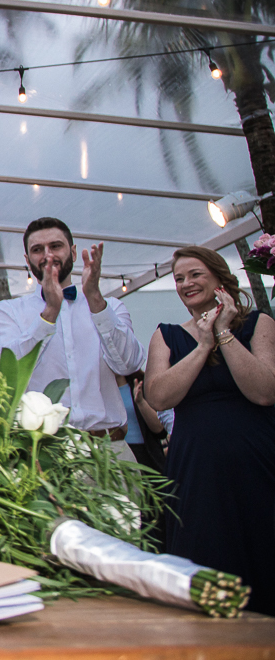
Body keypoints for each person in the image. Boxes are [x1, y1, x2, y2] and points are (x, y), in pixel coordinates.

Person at [144, 245, 275, 615]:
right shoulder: (167, 335)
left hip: (259, 463)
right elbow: (158, 397)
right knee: (206, 553)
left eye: (195, 274)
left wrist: (224, 334)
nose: (186, 283)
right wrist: (203, 344)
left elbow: (264, 392)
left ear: (219, 278)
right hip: (196, 472)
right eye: (179, 278)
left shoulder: (258, 324)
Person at [0, 217, 146, 460]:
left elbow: (129, 364)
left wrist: (96, 301)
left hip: (111, 450)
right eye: (37, 249)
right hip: (47, 455)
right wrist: (49, 314)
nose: (48, 255)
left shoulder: (111, 307)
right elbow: (8, 373)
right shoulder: (8, 312)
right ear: (27, 260)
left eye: (56, 246)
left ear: (72, 251)